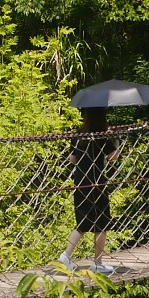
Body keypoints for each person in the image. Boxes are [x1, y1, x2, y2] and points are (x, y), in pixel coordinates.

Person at [62, 109, 123, 274]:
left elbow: (72, 159)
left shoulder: (79, 134)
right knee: (101, 223)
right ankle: (98, 263)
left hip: (80, 180)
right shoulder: (101, 135)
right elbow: (113, 157)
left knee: (83, 221)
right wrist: (116, 140)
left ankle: (66, 256)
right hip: (96, 181)